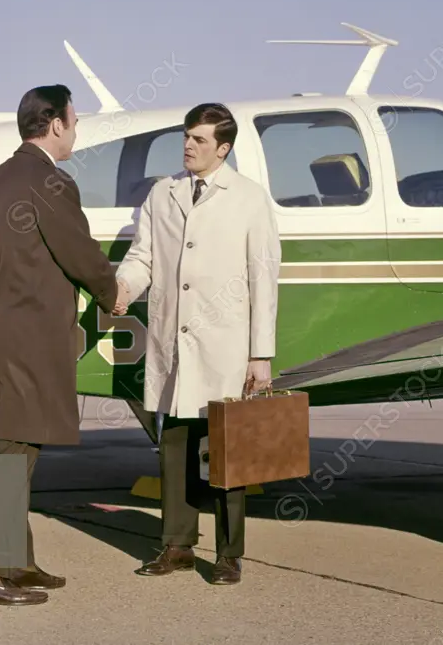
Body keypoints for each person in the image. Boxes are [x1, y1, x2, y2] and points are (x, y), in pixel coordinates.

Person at [0, 84, 119, 606]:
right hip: (27, 340)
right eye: (74, 121)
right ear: (54, 124)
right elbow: (79, 250)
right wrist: (111, 292)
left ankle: (15, 562)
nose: (76, 131)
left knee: (12, 448)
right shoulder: (50, 182)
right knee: (12, 457)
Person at [113, 102, 280, 586]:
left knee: (228, 454)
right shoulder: (162, 194)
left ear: (223, 148)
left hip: (226, 348)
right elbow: (142, 256)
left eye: (200, 139)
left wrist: (261, 354)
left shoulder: (249, 199)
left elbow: (263, 278)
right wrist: (123, 289)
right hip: (173, 344)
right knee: (175, 449)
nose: (188, 145)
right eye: (187, 136)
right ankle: (177, 547)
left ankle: (229, 555)